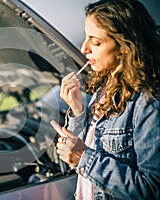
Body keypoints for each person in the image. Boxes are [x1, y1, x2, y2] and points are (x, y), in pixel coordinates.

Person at [50, 0, 160, 199]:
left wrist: (84, 158)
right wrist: (77, 111)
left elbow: (152, 189)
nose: (84, 49)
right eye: (86, 37)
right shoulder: (104, 88)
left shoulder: (148, 103)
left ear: (125, 46)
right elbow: (81, 156)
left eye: (96, 42)